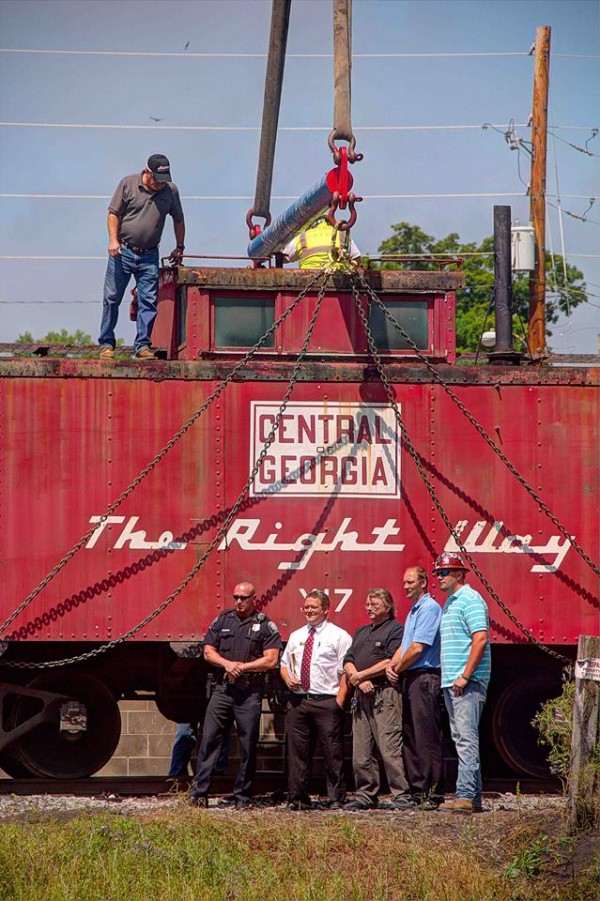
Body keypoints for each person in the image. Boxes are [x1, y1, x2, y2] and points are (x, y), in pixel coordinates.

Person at [189, 581, 282, 810]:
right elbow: (208, 651)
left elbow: (271, 659)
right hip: (223, 690)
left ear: (254, 599)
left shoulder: (266, 626)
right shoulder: (223, 619)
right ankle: (200, 794)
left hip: (249, 693)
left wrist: (243, 667)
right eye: (236, 597)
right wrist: (227, 664)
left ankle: (243, 797)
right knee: (209, 739)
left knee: (248, 745)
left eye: (244, 598)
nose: (239, 602)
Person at [98, 153, 186, 360]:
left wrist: (179, 246)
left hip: (149, 255)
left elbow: (179, 219)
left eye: (164, 181)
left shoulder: (170, 192)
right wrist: (113, 240)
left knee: (149, 300)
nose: (160, 185)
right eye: (157, 180)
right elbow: (113, 213)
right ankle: (106, 344)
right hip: (123, 252)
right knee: (112, 298)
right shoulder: (128, 184)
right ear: (147, 172)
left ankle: (143, 346)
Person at [280, 589, 352, 811]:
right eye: (306, 607)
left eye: (314, 607)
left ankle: (335, 798)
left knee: (332, 752)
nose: (309, 611)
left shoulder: (339, 636)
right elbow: (284, 664)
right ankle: (298, 798)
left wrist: (339, 702)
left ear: (326, 609)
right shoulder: (297, 635)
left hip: (327, 701)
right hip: (300, 701)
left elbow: (346, 671)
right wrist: (287, 680)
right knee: (298, 753)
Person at [434, 552, 491, 814]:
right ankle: (472, 797)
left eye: (444, 572)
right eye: (438, 573)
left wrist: (466, 675)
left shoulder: (470, 600)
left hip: (466, 682)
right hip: (453, 681)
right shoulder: (450, 603)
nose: (439, 577)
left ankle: (465, 795)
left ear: (459, 574)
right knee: (460, 738)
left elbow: (480, 638)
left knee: (466, 739)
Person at [343, 588, 409, 810]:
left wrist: (362, 675)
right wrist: (357, 679)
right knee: (361, 750)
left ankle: (401, 795)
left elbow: (389, 661)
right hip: (361, 695)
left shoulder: (396, 629)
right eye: (367, 604)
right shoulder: (361, 632)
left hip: (384, 695)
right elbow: (348, 659)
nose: (369, 608)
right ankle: (365, 793)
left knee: (389, 746)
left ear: (387, 607)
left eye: (374, 605)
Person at [386, 566, 444, 810]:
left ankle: (433, 792)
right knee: (410, 735)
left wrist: (397, 668)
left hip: (425, 676)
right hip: (411, 677)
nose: (406, 586)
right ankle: (418, 789)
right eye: (404, 582)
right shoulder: (413, 611)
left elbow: (418, 647)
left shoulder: (429, 608)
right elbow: (405, 644)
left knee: (426, 735)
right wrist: (392, 664)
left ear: (423, 582)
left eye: (410, 582)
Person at [282, 217, 361, 270]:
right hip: (338, 280)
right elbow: (356, 258)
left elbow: (284, 257)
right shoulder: (341, 234)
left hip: (307, 280)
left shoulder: (302, 236)